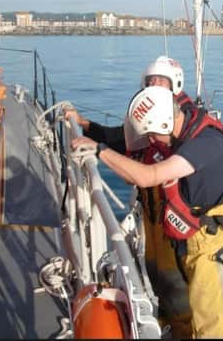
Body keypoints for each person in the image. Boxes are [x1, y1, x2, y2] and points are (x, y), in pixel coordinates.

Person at [72, 86, 223, 338]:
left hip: (217, 251)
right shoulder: (177, 133)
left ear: (165, 123)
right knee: (184, 314)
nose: (151, 141)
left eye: (152, 134)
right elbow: (125, 144)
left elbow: (148, 176)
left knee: (219, 330)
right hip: (193, 244)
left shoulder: (208, 143)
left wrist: (99, 151)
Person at [65, 56, 194, 338]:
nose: (154, 86)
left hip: (175, 219)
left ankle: (185, 330)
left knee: (177, 282)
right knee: (157, 275)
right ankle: (166, 324)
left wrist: (101, 150)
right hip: (152, 216)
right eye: (150, 81)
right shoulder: (147, 117)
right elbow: (121, 138)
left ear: (176, 84)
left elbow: (155, 171)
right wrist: (86, 126)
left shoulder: (183, 123)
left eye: (161, 81)